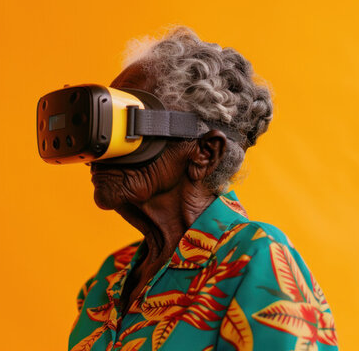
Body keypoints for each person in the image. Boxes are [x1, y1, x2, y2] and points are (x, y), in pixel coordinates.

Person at [68, 26, 338, 351]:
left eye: (125, 123)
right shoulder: (109, 277)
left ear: (205, 152)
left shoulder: (254, 259)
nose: (99, 147)